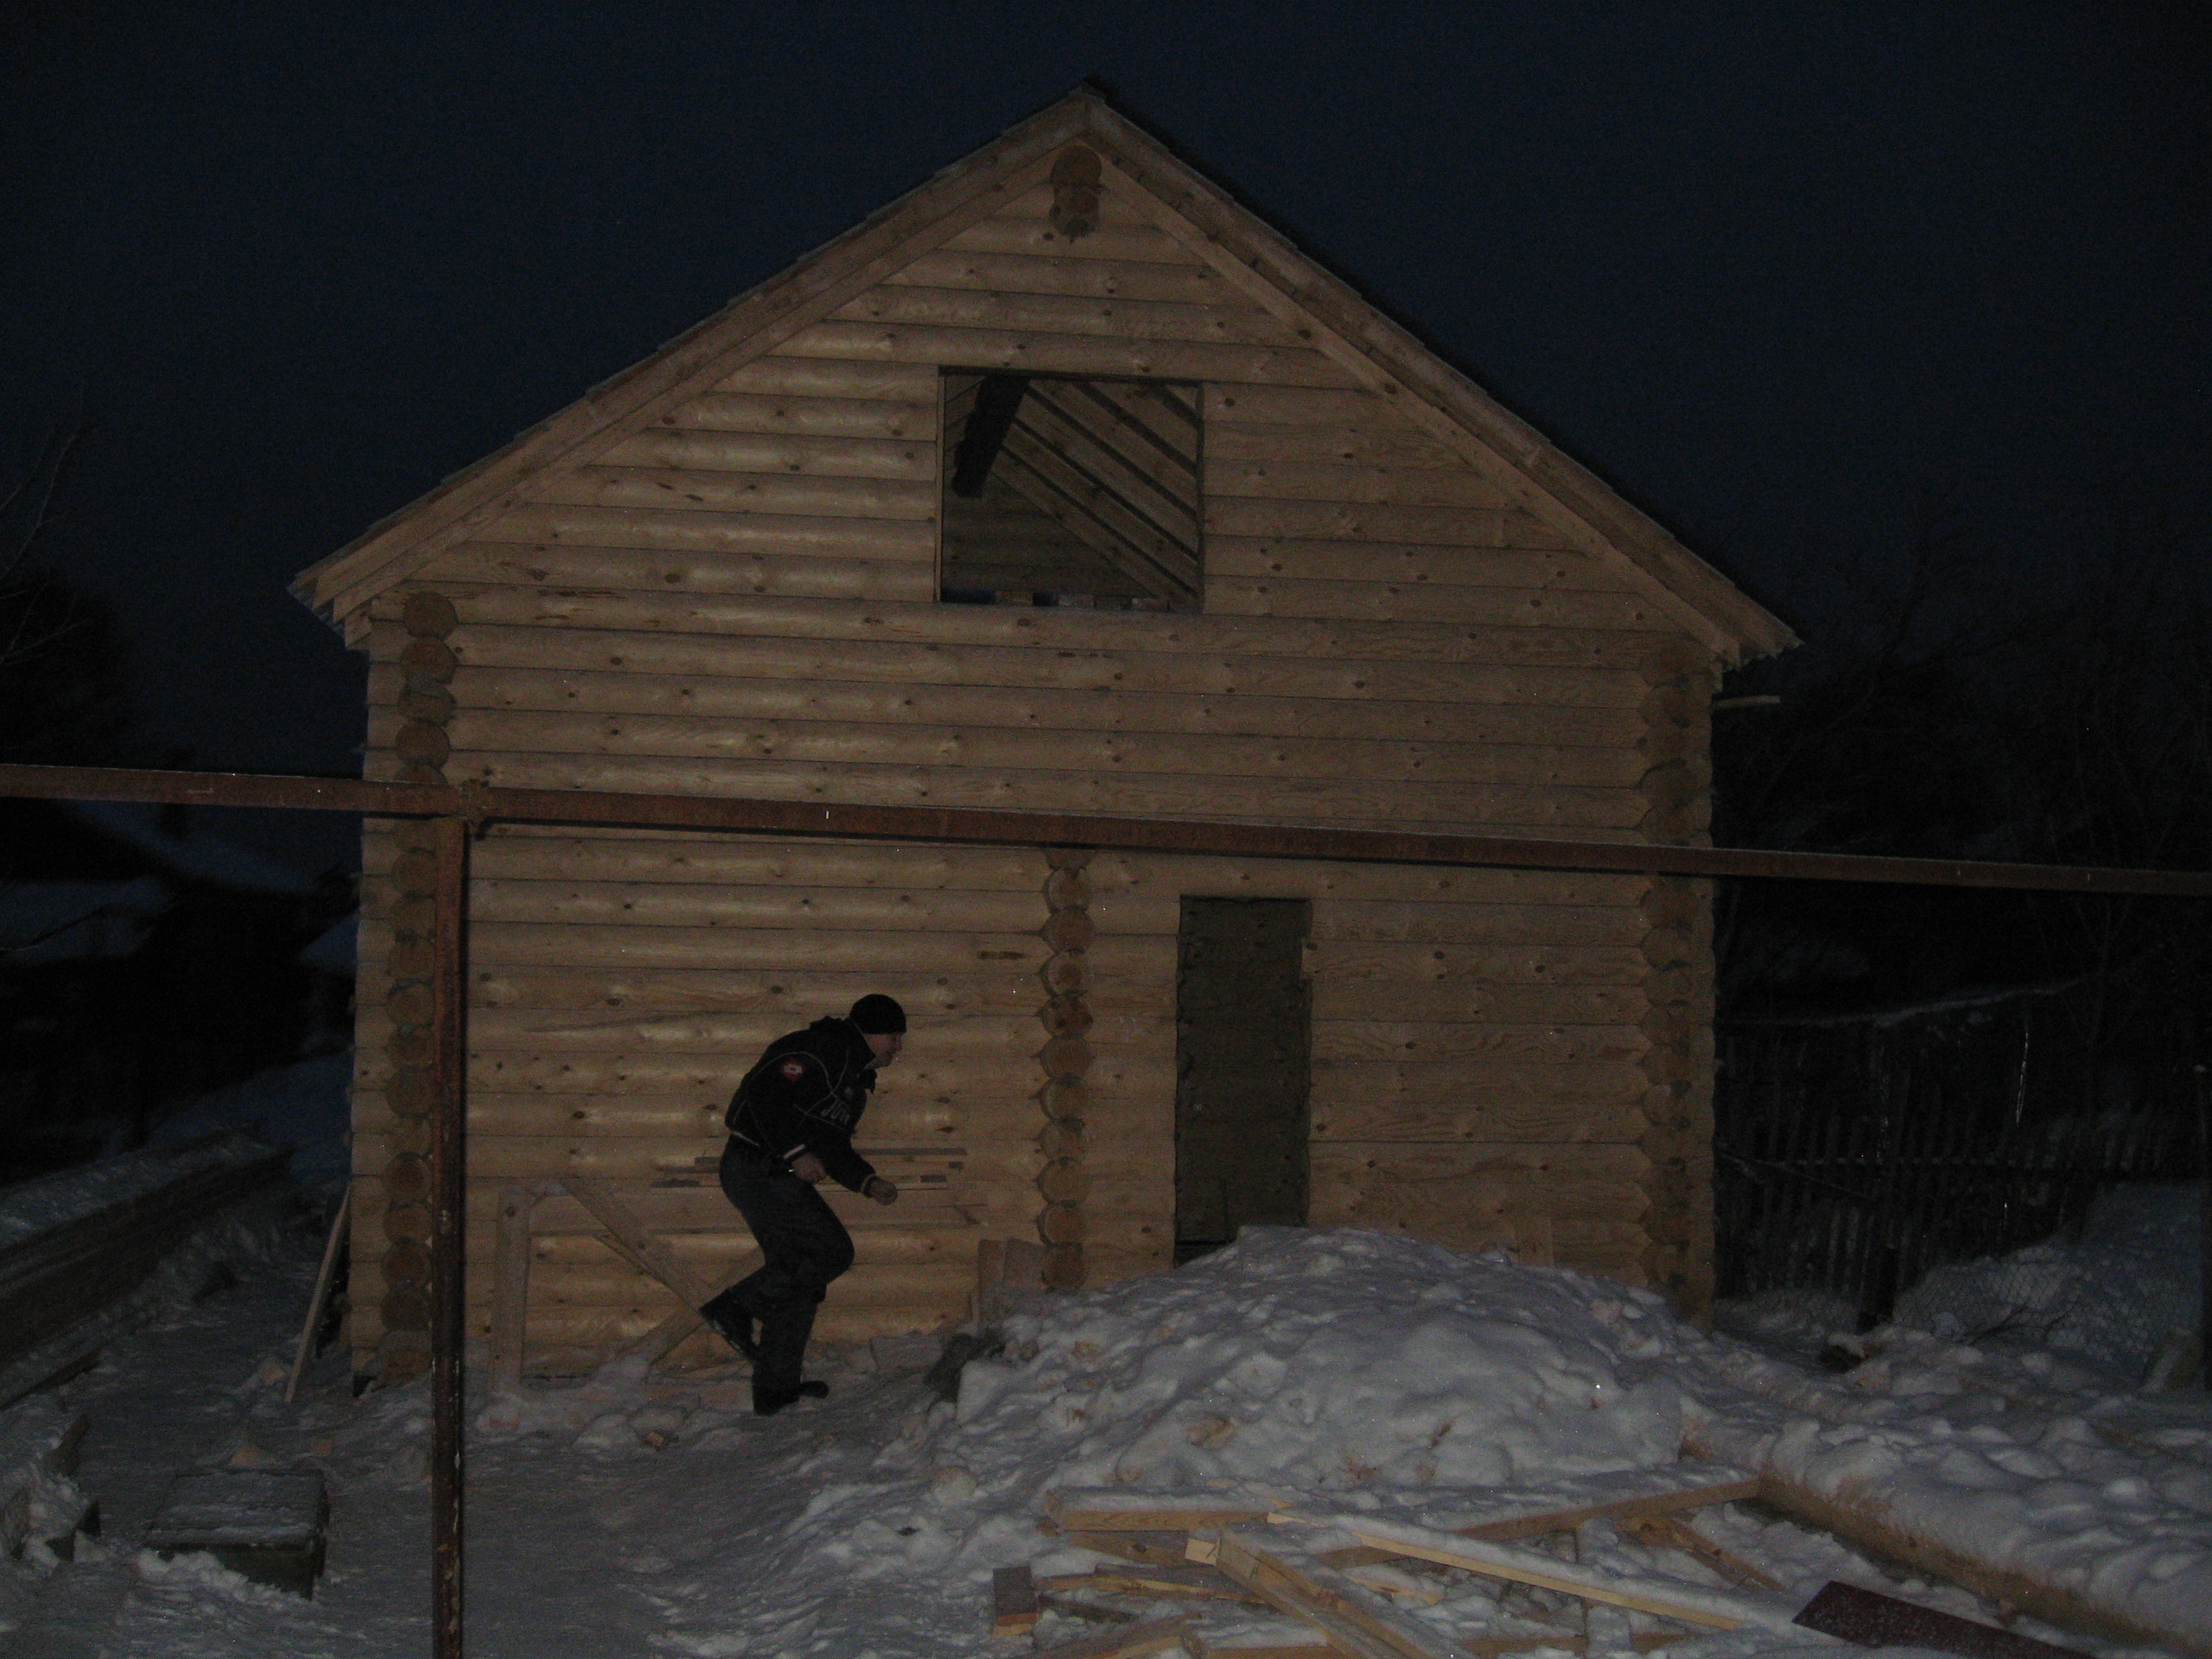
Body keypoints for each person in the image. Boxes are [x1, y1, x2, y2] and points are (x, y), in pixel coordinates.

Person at [699, 994, 904, 1414]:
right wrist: (796, 1153)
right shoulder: (819, 1049)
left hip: (774, 1171)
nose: (898, 1047)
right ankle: (736, 1307)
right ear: (870, 1031)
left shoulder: (853, 1083)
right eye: (893, 1036)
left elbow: (832, 1146)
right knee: (831, 1251)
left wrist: (867, 1182)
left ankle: (776, 1389)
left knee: (800, 1275)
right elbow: (766, 1096)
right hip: (756, 1165)